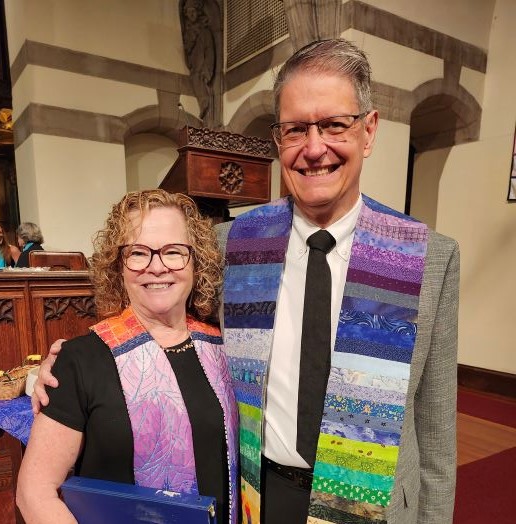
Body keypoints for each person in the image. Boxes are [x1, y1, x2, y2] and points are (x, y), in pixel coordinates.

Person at [33, 39, 459, 524]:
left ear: (368, 130)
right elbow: (163, 316)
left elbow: (438, 439)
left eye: (334, 125)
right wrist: (61, 369)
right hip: (262, 497)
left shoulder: (427, 258)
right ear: (279, 140)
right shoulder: (233, 244)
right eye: (296, 129)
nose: (314, 148)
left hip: (376, 508)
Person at [17, 190, 239, 524]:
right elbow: (34, 492)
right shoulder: (78, 361)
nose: (157, 267)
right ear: (117, 265)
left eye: (173, 251)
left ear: (196, 261)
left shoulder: (227, 351)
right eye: (138, 253)